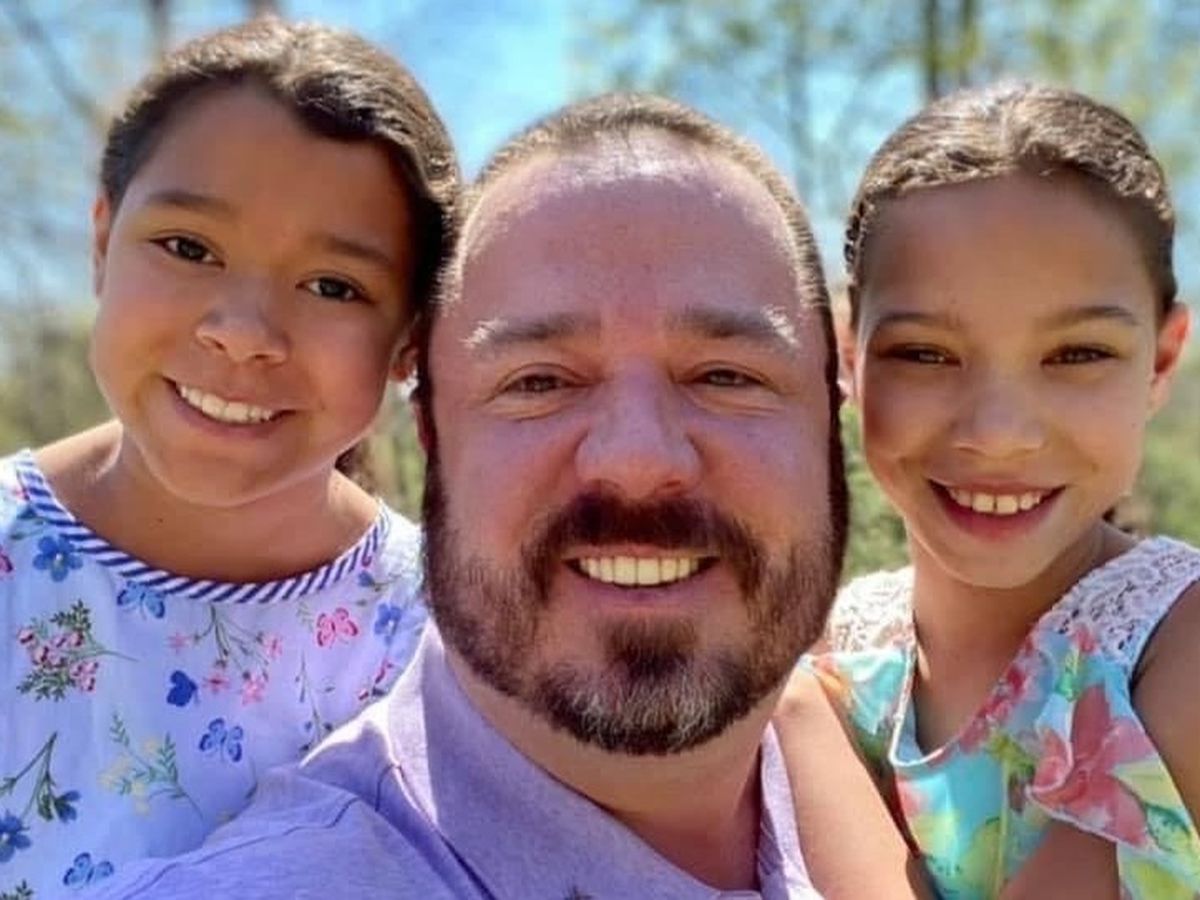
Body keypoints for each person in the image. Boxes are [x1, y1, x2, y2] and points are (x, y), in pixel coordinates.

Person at [84, 90, 906, 900]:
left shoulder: (858, 762)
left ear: (832, 409)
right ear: (431, 432)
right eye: (538, 381)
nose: (637, 459)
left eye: (727, 376)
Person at [0, 18, 456, 897]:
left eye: (333, 286)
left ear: (408, 343)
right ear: (101, 242)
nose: (243, 333)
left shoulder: (449, 647)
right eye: (188, 248)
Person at [806, 82, 1200, 898]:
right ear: (849, 355)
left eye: (1078, 354)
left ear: (1162, 360)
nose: (997, 433)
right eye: (925, 354)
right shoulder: (839, 654)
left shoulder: (1176, 647)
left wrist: (792, 718)